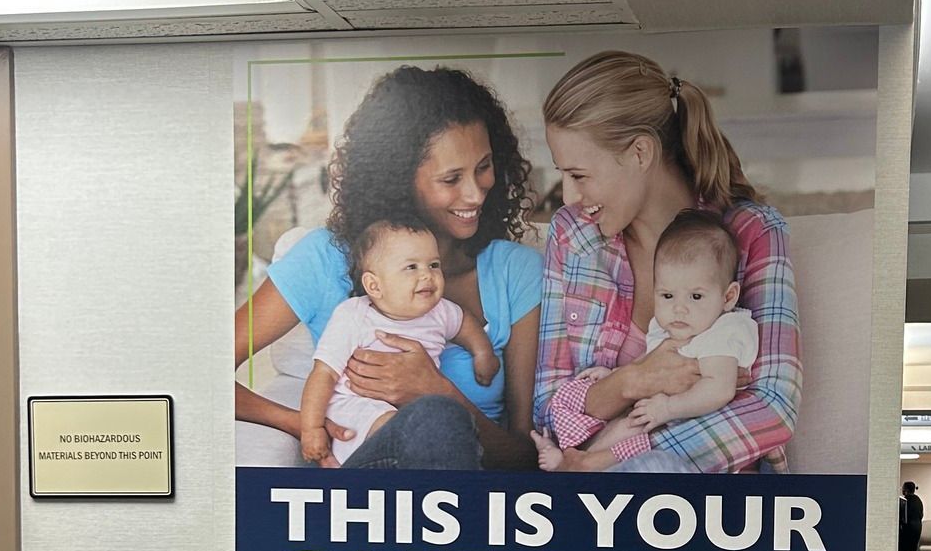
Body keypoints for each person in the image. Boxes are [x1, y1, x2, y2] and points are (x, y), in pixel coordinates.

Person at [234, 64, 541, 469]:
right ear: (398, 179)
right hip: (366, 487)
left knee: (437, 417)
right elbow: (199, 369)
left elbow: (524, 457)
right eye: (451, 178)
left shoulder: (514, 271)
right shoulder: (324, 259)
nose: (475, 193)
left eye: (483, 167)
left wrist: (438, 392)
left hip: (468, 502)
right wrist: (303, 424)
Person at [531, 50, 800, 473]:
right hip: (592, 503)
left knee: (654, 472)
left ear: (640, 153)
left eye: (579, 175)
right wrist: (635, 380)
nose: (567, 196)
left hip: (708, 506)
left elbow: (772, 405)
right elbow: (548, 412)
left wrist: (607, 458)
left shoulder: (752, 233)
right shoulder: (572, 235)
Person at [535, 210, 756, 469]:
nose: (679, 309)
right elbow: (647, 365)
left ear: (728, 297)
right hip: (657, 419)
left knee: (638, 431)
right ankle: (576, 457)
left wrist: (668, 408)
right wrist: (614, 374)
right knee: (627, 424)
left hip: (695, 435)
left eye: (695, 297)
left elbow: (719, 389)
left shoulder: (724, 331)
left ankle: (581, 463)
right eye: (667, 296)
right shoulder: (668, 328)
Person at [299, 217, 498, 467]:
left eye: (434, 265)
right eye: (411, 267)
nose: (427, 275)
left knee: (445, 423)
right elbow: (324, 373)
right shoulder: (354, 315)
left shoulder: (439, 311)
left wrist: (482, 353)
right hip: (357, 420)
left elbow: (464, 324)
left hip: (415, 427)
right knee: (420, 418)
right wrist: (311, 428)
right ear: (374, 285)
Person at [898, 481, 925, 551]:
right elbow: (921, 514)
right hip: (917, 527)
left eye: (903, 488)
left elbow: (902, 516)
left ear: (905, 490)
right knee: (913, 549)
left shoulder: (905, 500)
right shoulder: (918, 500)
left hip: (908, 529)